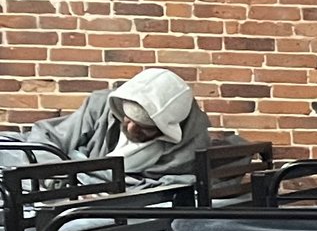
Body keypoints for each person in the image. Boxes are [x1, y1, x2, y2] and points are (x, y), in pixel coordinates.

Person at [1, 67, 210, 183]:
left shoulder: (191, 140)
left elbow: (168, 186)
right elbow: (49, 136)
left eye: (143, 127)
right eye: (126, 120)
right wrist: (56, 177)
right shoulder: (101, 105)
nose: (130, 129)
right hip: (65, 174)